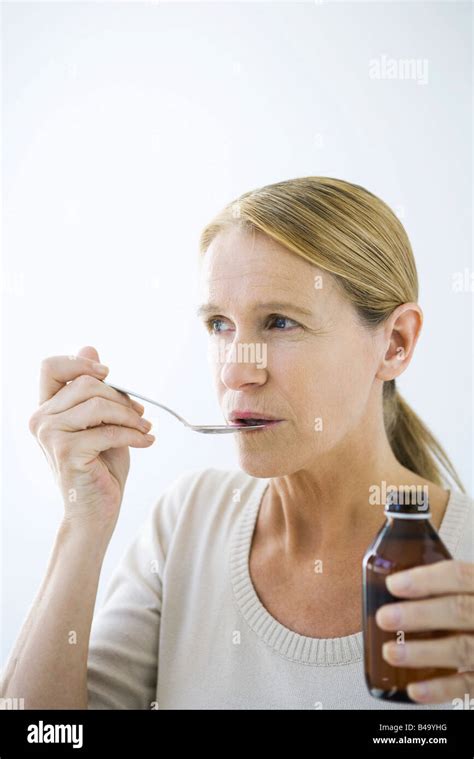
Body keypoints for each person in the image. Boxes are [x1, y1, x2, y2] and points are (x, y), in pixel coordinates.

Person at [2, 177, 472, 710]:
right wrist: (81, 523)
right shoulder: (187, 522)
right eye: (220, 324)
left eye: (279, 322)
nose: (235, 372)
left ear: (395, 343)